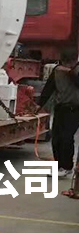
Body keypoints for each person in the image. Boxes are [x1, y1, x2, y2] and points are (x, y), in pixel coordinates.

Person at [38, 49, 79, 178]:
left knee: (66, 138)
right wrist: (39, 105)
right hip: (60, 108)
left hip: (75, 109)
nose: (67, 65)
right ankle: (59, 165)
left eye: (70, 63)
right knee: (56, 138)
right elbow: (48, 88)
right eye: (65, 62)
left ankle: (67, 167)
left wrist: (71, 73)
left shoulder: (77, 71)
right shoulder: (57, 71)